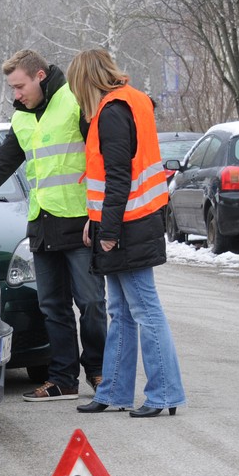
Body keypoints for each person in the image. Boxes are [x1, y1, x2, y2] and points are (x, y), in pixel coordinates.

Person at [0, 49, 107, 402]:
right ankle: (63, 379)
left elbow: (104, 154)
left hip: (80, 222)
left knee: (91, 303)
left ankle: (100, 370)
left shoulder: (75, 100)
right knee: (52, 306)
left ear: (40, 77)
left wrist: (103, 214)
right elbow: (1, 162)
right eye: (12, 89)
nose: (15, 95)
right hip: (43, 223)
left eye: (20, 86)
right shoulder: (22, 119)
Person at [66, 48, 186, 418]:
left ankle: (163, 393)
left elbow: (119, 176)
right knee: (122, 310)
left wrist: (109, 229)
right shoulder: (131, 102)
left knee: (143, 310)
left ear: (86, 81)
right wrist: (97, 219)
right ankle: (115, 390)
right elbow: (120, 176)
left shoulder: (113, 112)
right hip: (132, 220)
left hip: (128, 224)